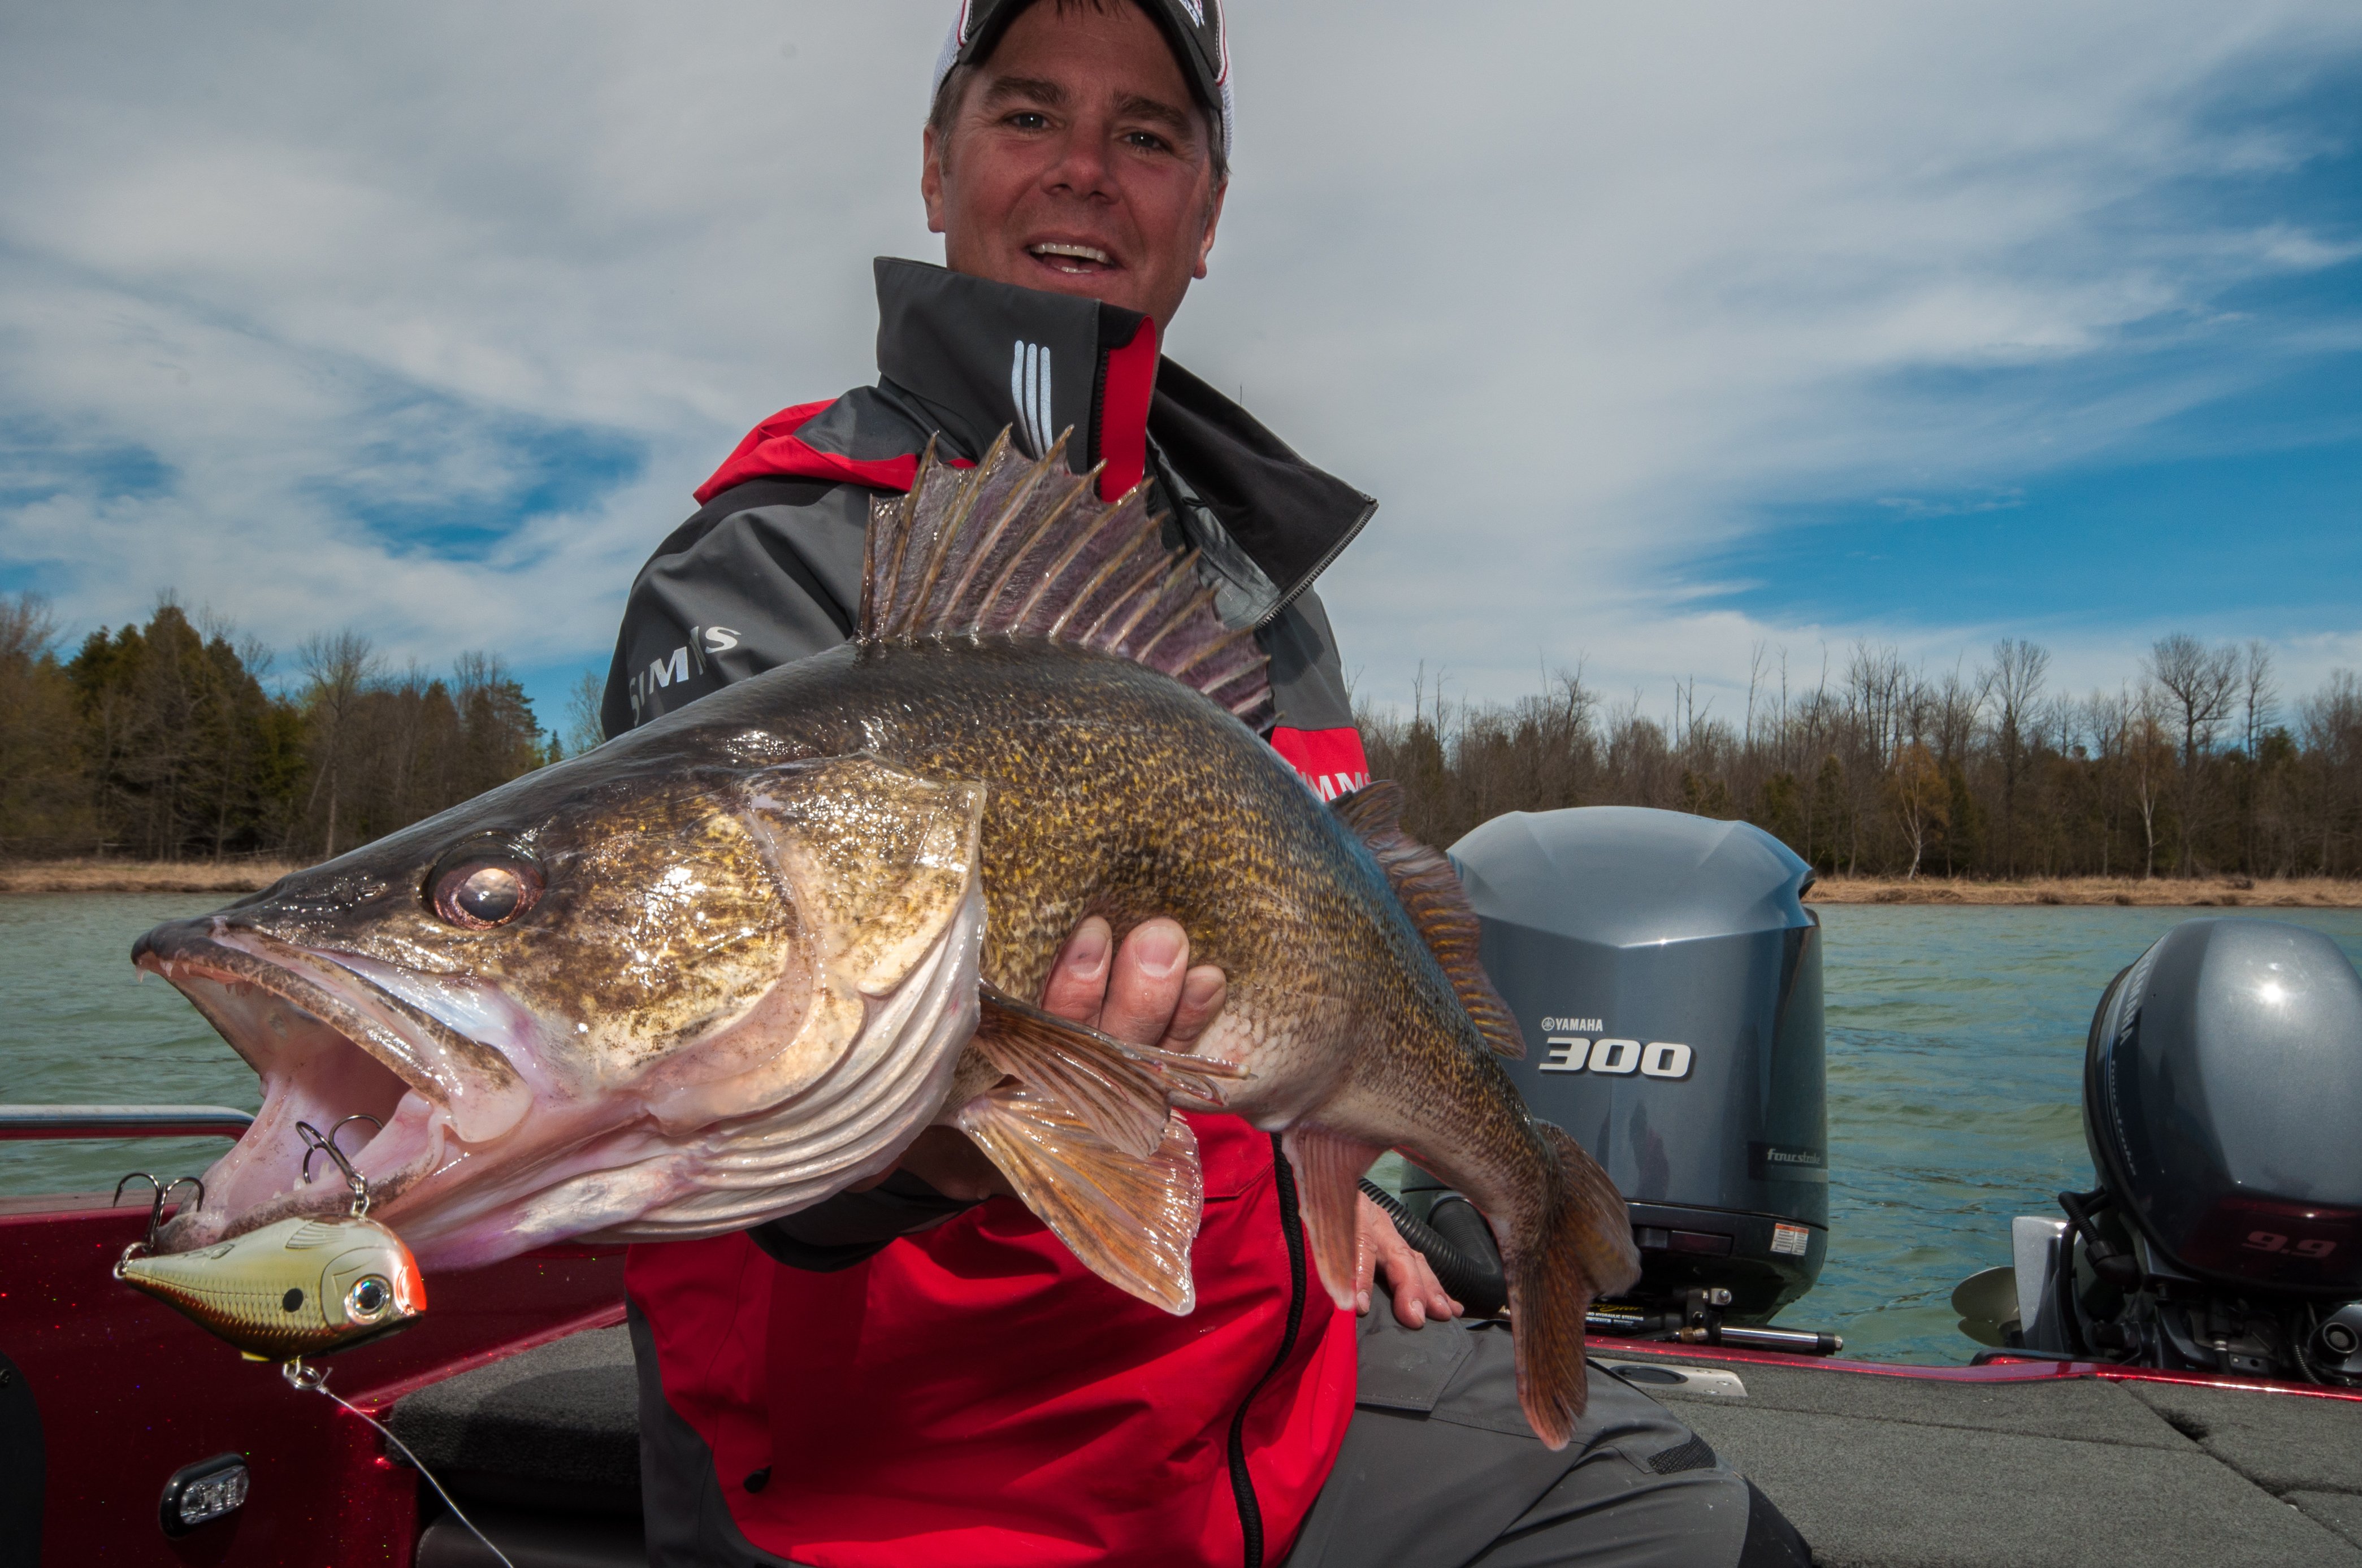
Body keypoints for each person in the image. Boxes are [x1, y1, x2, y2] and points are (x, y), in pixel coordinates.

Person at [601, 4, 1812, 1565]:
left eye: (1148, 136)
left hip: (1258, 1416)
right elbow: (709, 1090)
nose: (1086, 172)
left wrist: (1330, 1152)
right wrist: (995, 1117)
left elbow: (1318, 952)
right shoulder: (773, 558)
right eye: (1028, 116)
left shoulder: (1246, 587)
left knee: (1716, 1540)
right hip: (919, 1490)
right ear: (934, 166)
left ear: (1206, 215)